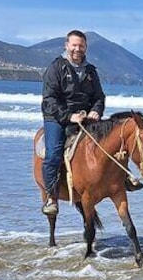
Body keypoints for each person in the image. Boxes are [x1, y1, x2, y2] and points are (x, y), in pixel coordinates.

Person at [40, 30, 105, 216]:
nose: (78, 49)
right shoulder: (56, 68)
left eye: (81, 45)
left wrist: (95, 110)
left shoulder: (91, 71)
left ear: (86, 47)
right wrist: (69, 116)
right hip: (57, 119)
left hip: (85, 117)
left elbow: (99, 96)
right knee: (53, 155)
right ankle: (51, 197)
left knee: (111, 144)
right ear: (66, 45)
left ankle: (122, 180)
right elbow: (49, 100)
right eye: (74, 45)